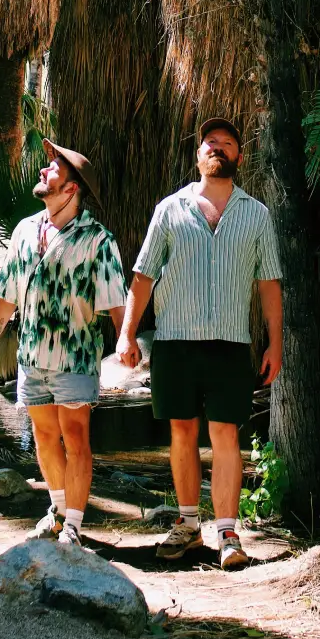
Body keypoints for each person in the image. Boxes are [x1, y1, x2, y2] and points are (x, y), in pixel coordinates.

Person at [115, 117, 282, 571]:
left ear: (239, 157)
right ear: (198, 155)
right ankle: (188, 525)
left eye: (228, 144)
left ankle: (228, 532)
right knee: (182, 432)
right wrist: (127, 333)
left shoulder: (257, 214)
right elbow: (143, 276)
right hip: (174, 341)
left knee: (226, 435)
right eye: (211, 143)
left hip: (231, 343)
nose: (219, 149)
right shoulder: (170, 209)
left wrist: (275, 343)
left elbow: (269, 284)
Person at [0, 139, 126, 544]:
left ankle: (75, 526)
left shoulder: (97, 238)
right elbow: (7, 293)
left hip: (76, 354)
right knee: (44, 437)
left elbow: (116, 298)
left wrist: (127, 338)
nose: (45, 171)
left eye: (54, 168)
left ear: (71, 188)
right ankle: (58, 511)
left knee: (76, 437)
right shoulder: (25, 230)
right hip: (31, 355)